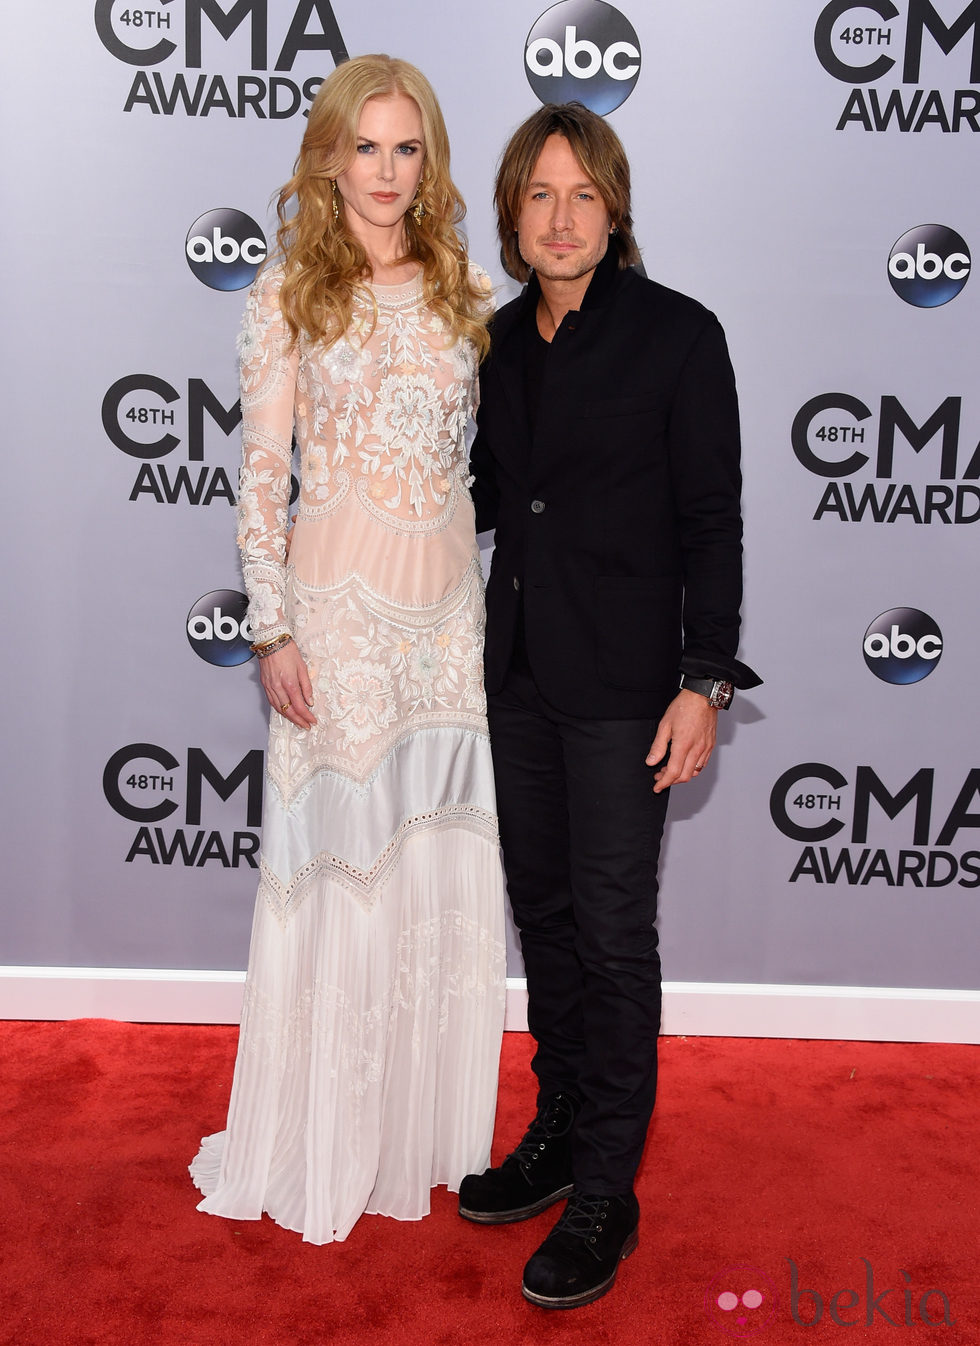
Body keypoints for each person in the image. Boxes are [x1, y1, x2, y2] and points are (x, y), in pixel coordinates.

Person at [190, 54, 505, 1246]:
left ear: (429, 162)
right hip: (340, 627)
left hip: (447, 634)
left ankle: (418, 1137)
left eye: (405, 147)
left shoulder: (467, 286)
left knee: (434, 875)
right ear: (329, 157)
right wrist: (268, 624)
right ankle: (324, 1133)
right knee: (346, 882)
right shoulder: (288, 290)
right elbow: (261, 475)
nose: (384, 170)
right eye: (364, 147)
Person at [458, 103, 761, 1307]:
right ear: (510, 215)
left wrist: (704, 678)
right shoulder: (492, 344)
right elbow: (475, 500)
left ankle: (605, 1190)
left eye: (582, 194)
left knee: (611, 930)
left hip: (629, 690)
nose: (561, 216)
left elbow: (712, 523)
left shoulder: (679, 337)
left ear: (615, 207)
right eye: (538, 195)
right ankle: (561, 1122)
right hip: (517, 678)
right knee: (544, 917)